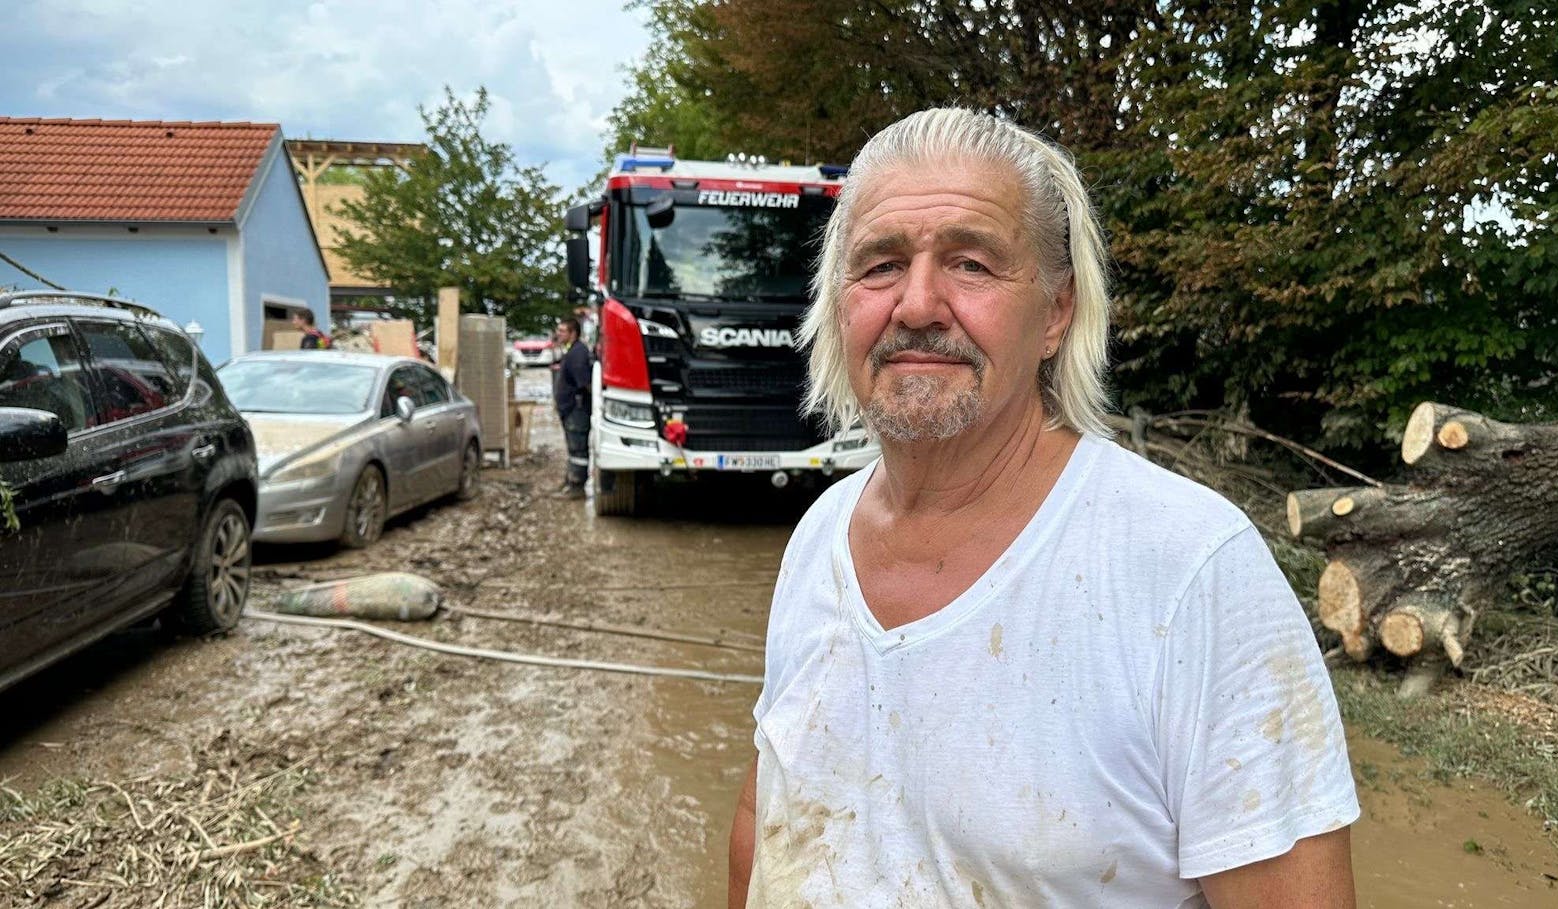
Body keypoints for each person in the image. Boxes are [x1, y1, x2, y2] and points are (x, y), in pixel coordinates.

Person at [729, 108, 1359, 908]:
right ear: (839, 304)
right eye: (880, 265)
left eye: (971, 264)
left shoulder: (1193, 572)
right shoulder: (819, 535)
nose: (917, 304)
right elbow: (766, 813)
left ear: (1057, 312)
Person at [550, 317, 592, 499]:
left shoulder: (578, 353)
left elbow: (584, 382)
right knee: (572, 447)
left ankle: (576, 487)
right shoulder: (571, 351)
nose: (558, 334)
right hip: (569, 409)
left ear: (573, 333)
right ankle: (569, 481)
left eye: (562, 331)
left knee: (578, 449)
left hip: (577, 409)